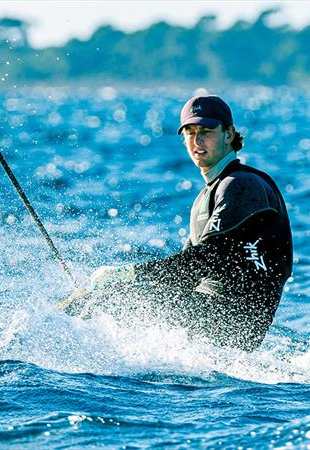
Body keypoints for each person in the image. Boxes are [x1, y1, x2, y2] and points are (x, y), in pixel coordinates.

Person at [59, 95, 293, 352]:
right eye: (190, 133)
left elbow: (202, 261)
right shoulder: (206, 196)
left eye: (206, 131)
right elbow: (184, 276)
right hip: (210, 320)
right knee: (103, 298)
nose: (198, 141)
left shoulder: (241, 184)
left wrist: (126, 275)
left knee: (109, 297)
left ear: (229, 134)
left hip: (231, 323)